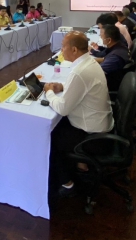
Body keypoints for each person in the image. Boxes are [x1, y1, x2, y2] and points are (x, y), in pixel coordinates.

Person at [45, 32, 114, 197]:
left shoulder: (79, 72)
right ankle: (81, 164)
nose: (61, 50)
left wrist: (49, 92)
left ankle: (67, 183)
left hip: (93, 136)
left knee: (50, 136)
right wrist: (63, 87)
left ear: (74, 50)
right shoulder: (89, 62)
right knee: (60, 125)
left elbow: (63, 108)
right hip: (101, 125)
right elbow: (82, 86)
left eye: (63, 46)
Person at [90, 24, 130, 93]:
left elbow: (96, 72)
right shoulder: (119, 47)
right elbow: (105, 59)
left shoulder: (115, 57)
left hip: (108, 86)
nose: (101, 37)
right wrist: (91, 61)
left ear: (109, 40)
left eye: (101, 36)